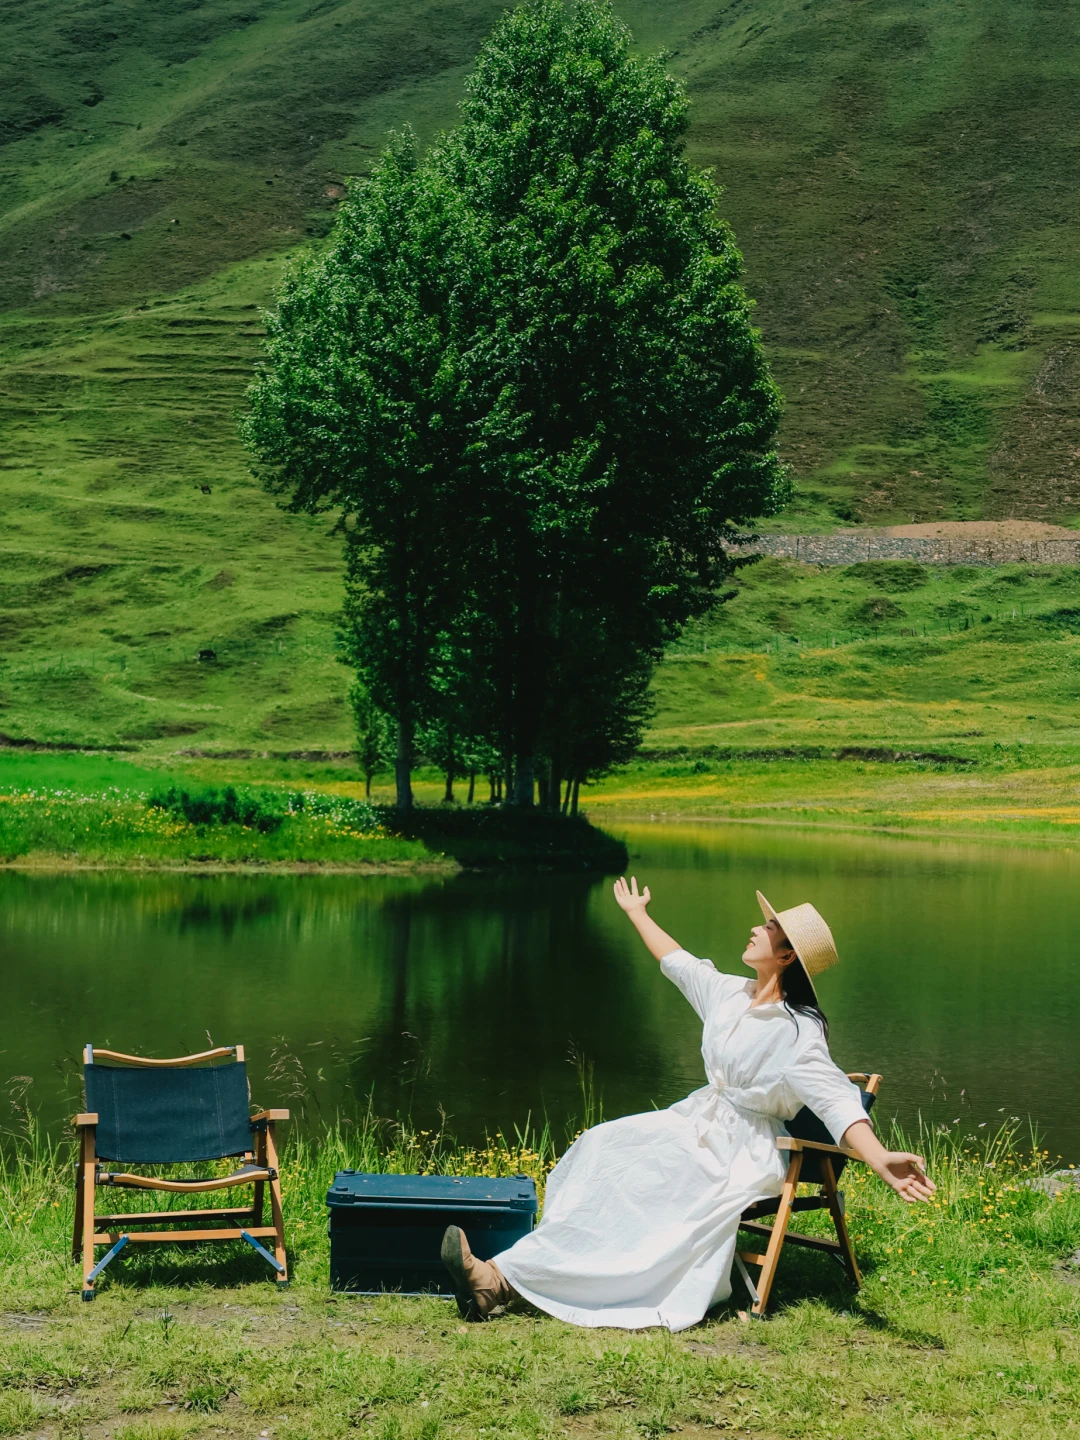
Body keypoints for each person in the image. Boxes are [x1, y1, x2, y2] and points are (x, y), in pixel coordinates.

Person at [441, 879, 935, 1330]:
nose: (755, 929)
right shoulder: (730, 994)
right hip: (697, 1120)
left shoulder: (797, 1030)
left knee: (660, 1175)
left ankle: (498, 1280)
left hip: (743, 1150)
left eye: (768, 928)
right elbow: (676, 960)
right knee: (602, 1145)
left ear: (786, 956)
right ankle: (540, 1264)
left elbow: (835, 1099)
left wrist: (878, 1158)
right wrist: (637, 912)